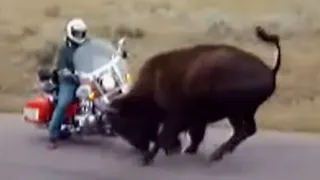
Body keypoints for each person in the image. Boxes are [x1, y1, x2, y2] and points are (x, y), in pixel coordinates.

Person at [47, 18, 88, 149]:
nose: (79, 36)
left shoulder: (87, 46)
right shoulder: (64, 49)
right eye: (76, 33)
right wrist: (66, 72)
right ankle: (53, 133)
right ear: (70, 32)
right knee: (64, 102)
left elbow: (95, 56)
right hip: (69, 81)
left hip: (86, 79)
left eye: (81, 33)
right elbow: (61, 66)